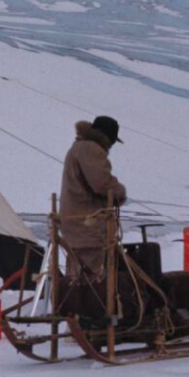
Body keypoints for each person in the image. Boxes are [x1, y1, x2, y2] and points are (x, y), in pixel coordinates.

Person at [59, 115, 128, 282]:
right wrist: (119, 191)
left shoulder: (78, 147)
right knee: (91, 278)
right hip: (87, 223)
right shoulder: (91, 149)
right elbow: (101, 183)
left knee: (76, 275)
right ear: (108, 138)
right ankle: (90, 307)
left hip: (75, 221)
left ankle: (75, 305)